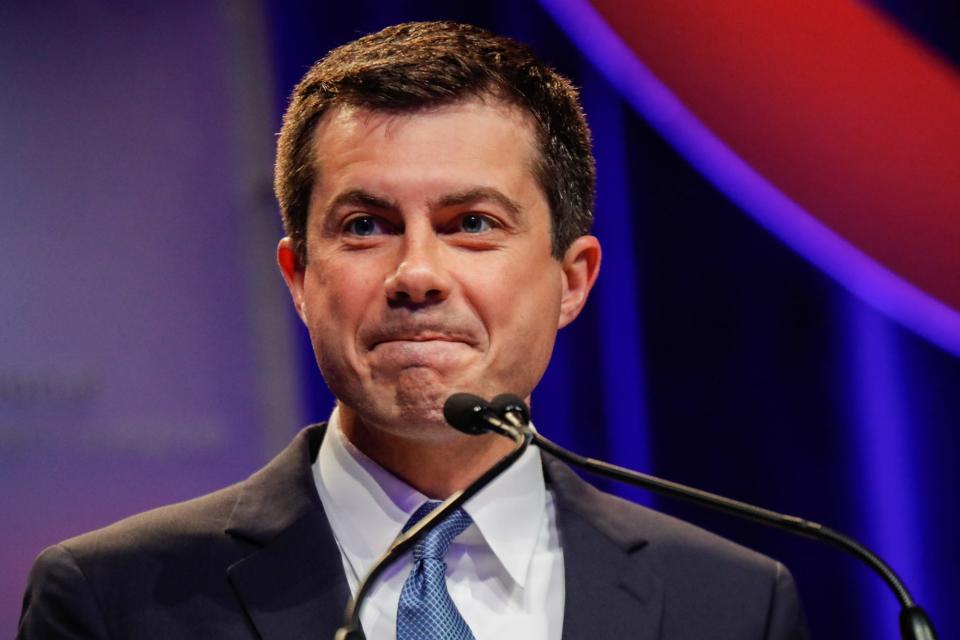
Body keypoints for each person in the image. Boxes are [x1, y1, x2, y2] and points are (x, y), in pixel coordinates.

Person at [17, 21, 808, 639]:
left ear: (573, 281)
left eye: (471, 223)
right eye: (365, 225)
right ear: (298, 278)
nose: (416, 274)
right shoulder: (114, 601)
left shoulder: (731, 605)